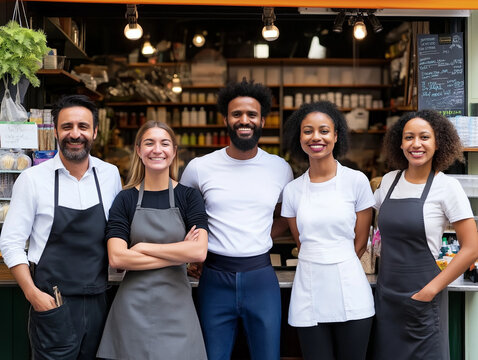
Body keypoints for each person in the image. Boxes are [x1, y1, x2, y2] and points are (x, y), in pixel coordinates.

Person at [0, 95, 122, 360]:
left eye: (83, 126)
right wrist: (34, 296)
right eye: (67, 127)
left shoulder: (110, 174)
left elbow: (117, 233)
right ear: (55, 131)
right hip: (53, 303)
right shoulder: (32, 179)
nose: (75, 134)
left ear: (95, 132)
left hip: (100, 301)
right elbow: (11, 244)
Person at [180, 79, 293, 360]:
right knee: (211, 356)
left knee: (268, 355)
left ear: (262, 121)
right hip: (214, 278)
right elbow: (184, 217)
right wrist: (195, 253)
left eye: (252, 115)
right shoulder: (199, 168)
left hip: (261, 278)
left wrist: (259, 234)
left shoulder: (280, 168)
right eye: (237, 114)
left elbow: (286, 218)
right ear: (226, 120)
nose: (245, 120)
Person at [97, 120, 208, 360]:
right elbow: (117, 257)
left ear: (174, 151)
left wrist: (142, 248)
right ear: (138, 150)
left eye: (164, 143)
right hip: (132, 311)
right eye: (149, 143)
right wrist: (179, 253)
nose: (157, 149)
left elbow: (199, 252)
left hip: (178, 311)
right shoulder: (125, 199)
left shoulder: (189, 197)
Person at [372, 110, 478, 360]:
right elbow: (372, 229)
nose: (416, 144)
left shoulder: (447, 187)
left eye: (424, 137)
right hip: (387, 296)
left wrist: (431, 291)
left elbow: (471, 248)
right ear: (400, 143)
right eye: (409, 137)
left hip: (424, 297)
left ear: (437, 142)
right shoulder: (388, 182)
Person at [281, 101, 375, 360]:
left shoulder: (356, 182)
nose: (316, 137)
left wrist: (338, 261)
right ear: (299, 137)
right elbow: (302, 243)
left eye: (324, 130)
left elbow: (361, 242)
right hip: (309, 289)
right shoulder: (292, 191)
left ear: (336, 136)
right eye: (307, 131)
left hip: (350, 287)